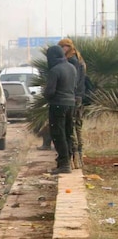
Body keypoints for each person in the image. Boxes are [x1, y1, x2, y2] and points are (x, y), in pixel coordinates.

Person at [43, 44, 77, 174]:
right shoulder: (72, 67)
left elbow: (50, 92)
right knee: (68, 132)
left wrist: (45, 95)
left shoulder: (55, 70)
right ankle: (67, 160)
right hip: (71, 104)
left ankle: (64, 164)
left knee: (58, 134)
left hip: (58, 104)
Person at [59, 38, 87, 169]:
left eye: (64, 47)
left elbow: (73, 81)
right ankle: (79, 157)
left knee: (72, 126)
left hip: (73, 96)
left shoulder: (72, 61)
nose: (62, 49)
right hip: (79, 96)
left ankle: (75, 156)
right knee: (78, 126)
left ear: (68, 47)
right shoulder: (79, 59)